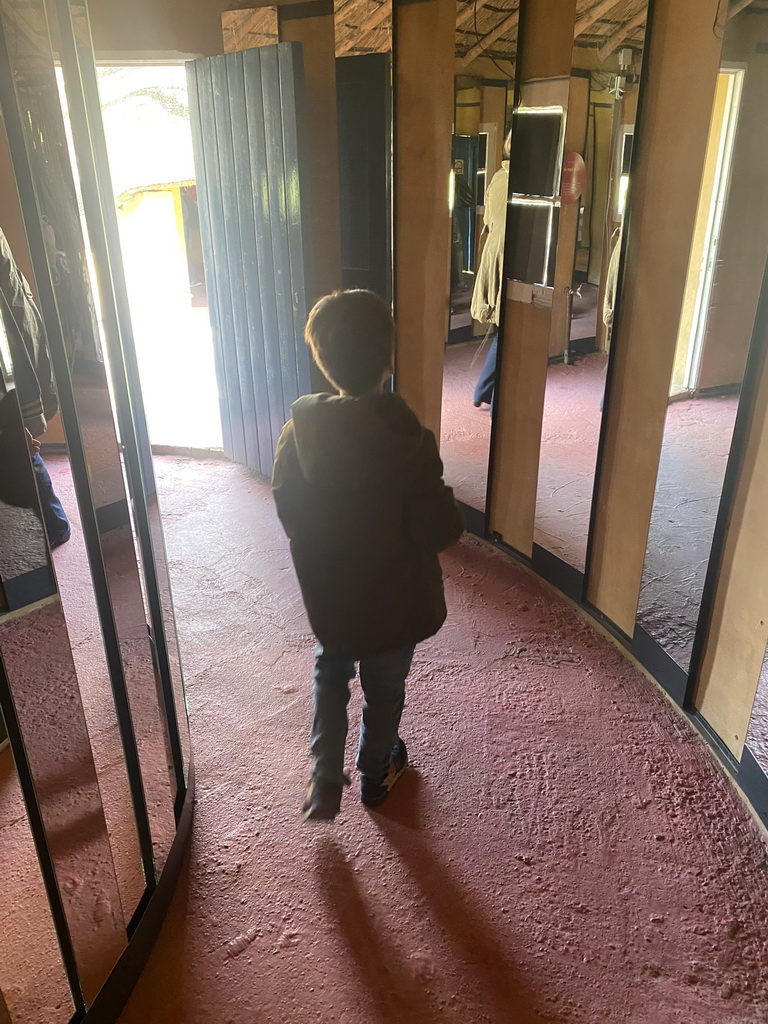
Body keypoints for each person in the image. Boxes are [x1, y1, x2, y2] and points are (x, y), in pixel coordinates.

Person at [272, 290, 464, 821]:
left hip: (331, 593)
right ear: (389, 359)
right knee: (385, 690)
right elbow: (438, 529)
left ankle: (325, 772)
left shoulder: (297, 434)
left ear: (321, 359)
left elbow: (288, 507)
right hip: (394, 602)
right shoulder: (410, 443)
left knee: (330, 672)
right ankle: (375, 772)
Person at [471, 130, 511, 409]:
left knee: (502, 328)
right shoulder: (522, 183)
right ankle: (493, 398)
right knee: (509, 331)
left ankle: (483, 391)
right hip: (509, 255)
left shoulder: (497, 178)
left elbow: (489, 220)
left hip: (493, 251)